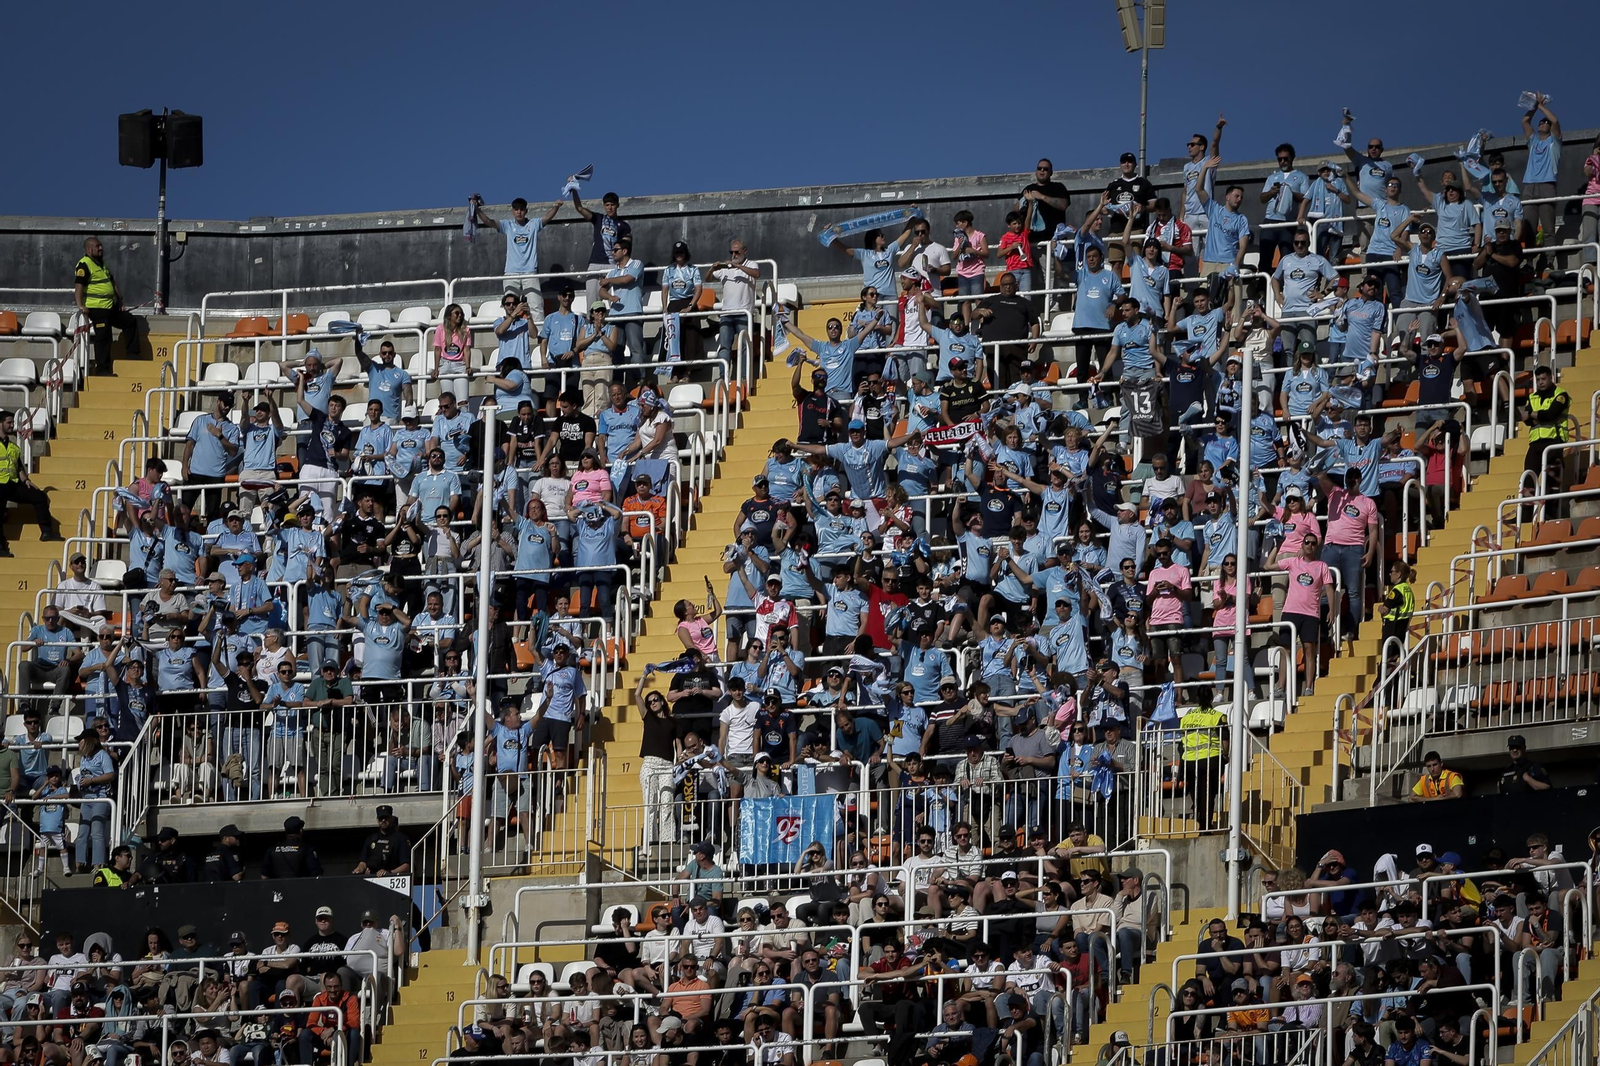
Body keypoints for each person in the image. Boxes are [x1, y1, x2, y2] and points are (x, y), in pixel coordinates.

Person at [74, 236, 140, 374]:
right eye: (97, 246)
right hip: (96, 308)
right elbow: (79, 286)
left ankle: (133, 355)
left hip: (110, 306)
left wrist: (120, 300)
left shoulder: (102, 264)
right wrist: (80, 305)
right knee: (104, 336)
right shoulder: (84, 265)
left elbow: (112, 282)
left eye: (101, 246)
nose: (101, 248)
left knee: (130, 321)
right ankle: (102, 369)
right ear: (89, 249)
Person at [0, 411, 63, 554]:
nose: (12, 426)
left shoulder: (13, 447)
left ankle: (46, 532)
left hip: (12, 484)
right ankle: (1, 547)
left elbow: (19, 467)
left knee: (39, 497)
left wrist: (26, 480)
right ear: (0, 424)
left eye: (12, 423)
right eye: (9, 423)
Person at [473, 195, 561, 280]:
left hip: (530, 272)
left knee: (534, 296)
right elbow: (488, 221)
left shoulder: (533, 224)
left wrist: (556, 206)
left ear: (526, 211)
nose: (519, 212)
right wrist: (476, 208)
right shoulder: (507, 225)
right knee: (509, 296)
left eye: (522, 209)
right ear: (512, 211)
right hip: (511, 272)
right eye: (516, 209)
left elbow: (547, 217)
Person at [1520, 95, 1562, 244]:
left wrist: (1542, 106)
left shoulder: (1554, 142)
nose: (1543, 123)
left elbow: (1555, 121)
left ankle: (1550, 260)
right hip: (1529, 186)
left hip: (1547, 185)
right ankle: (1530, 261)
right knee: (1529, 227)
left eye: (1546, 122)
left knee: (1548, 227)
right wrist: (1534, 106)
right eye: (1541, 122)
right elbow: (1525, 121)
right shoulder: (1533, 141)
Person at [353, 804, 412, 877]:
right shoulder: (371, 839)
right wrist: (360, 869)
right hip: (371, 880)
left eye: (386, 818)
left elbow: (406, 866)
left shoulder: (401, 839)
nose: (383, 820)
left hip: (391, 880)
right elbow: (363, 862)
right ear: (377, 820)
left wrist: (389, 872)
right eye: (381, 818)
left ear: (391, 819)